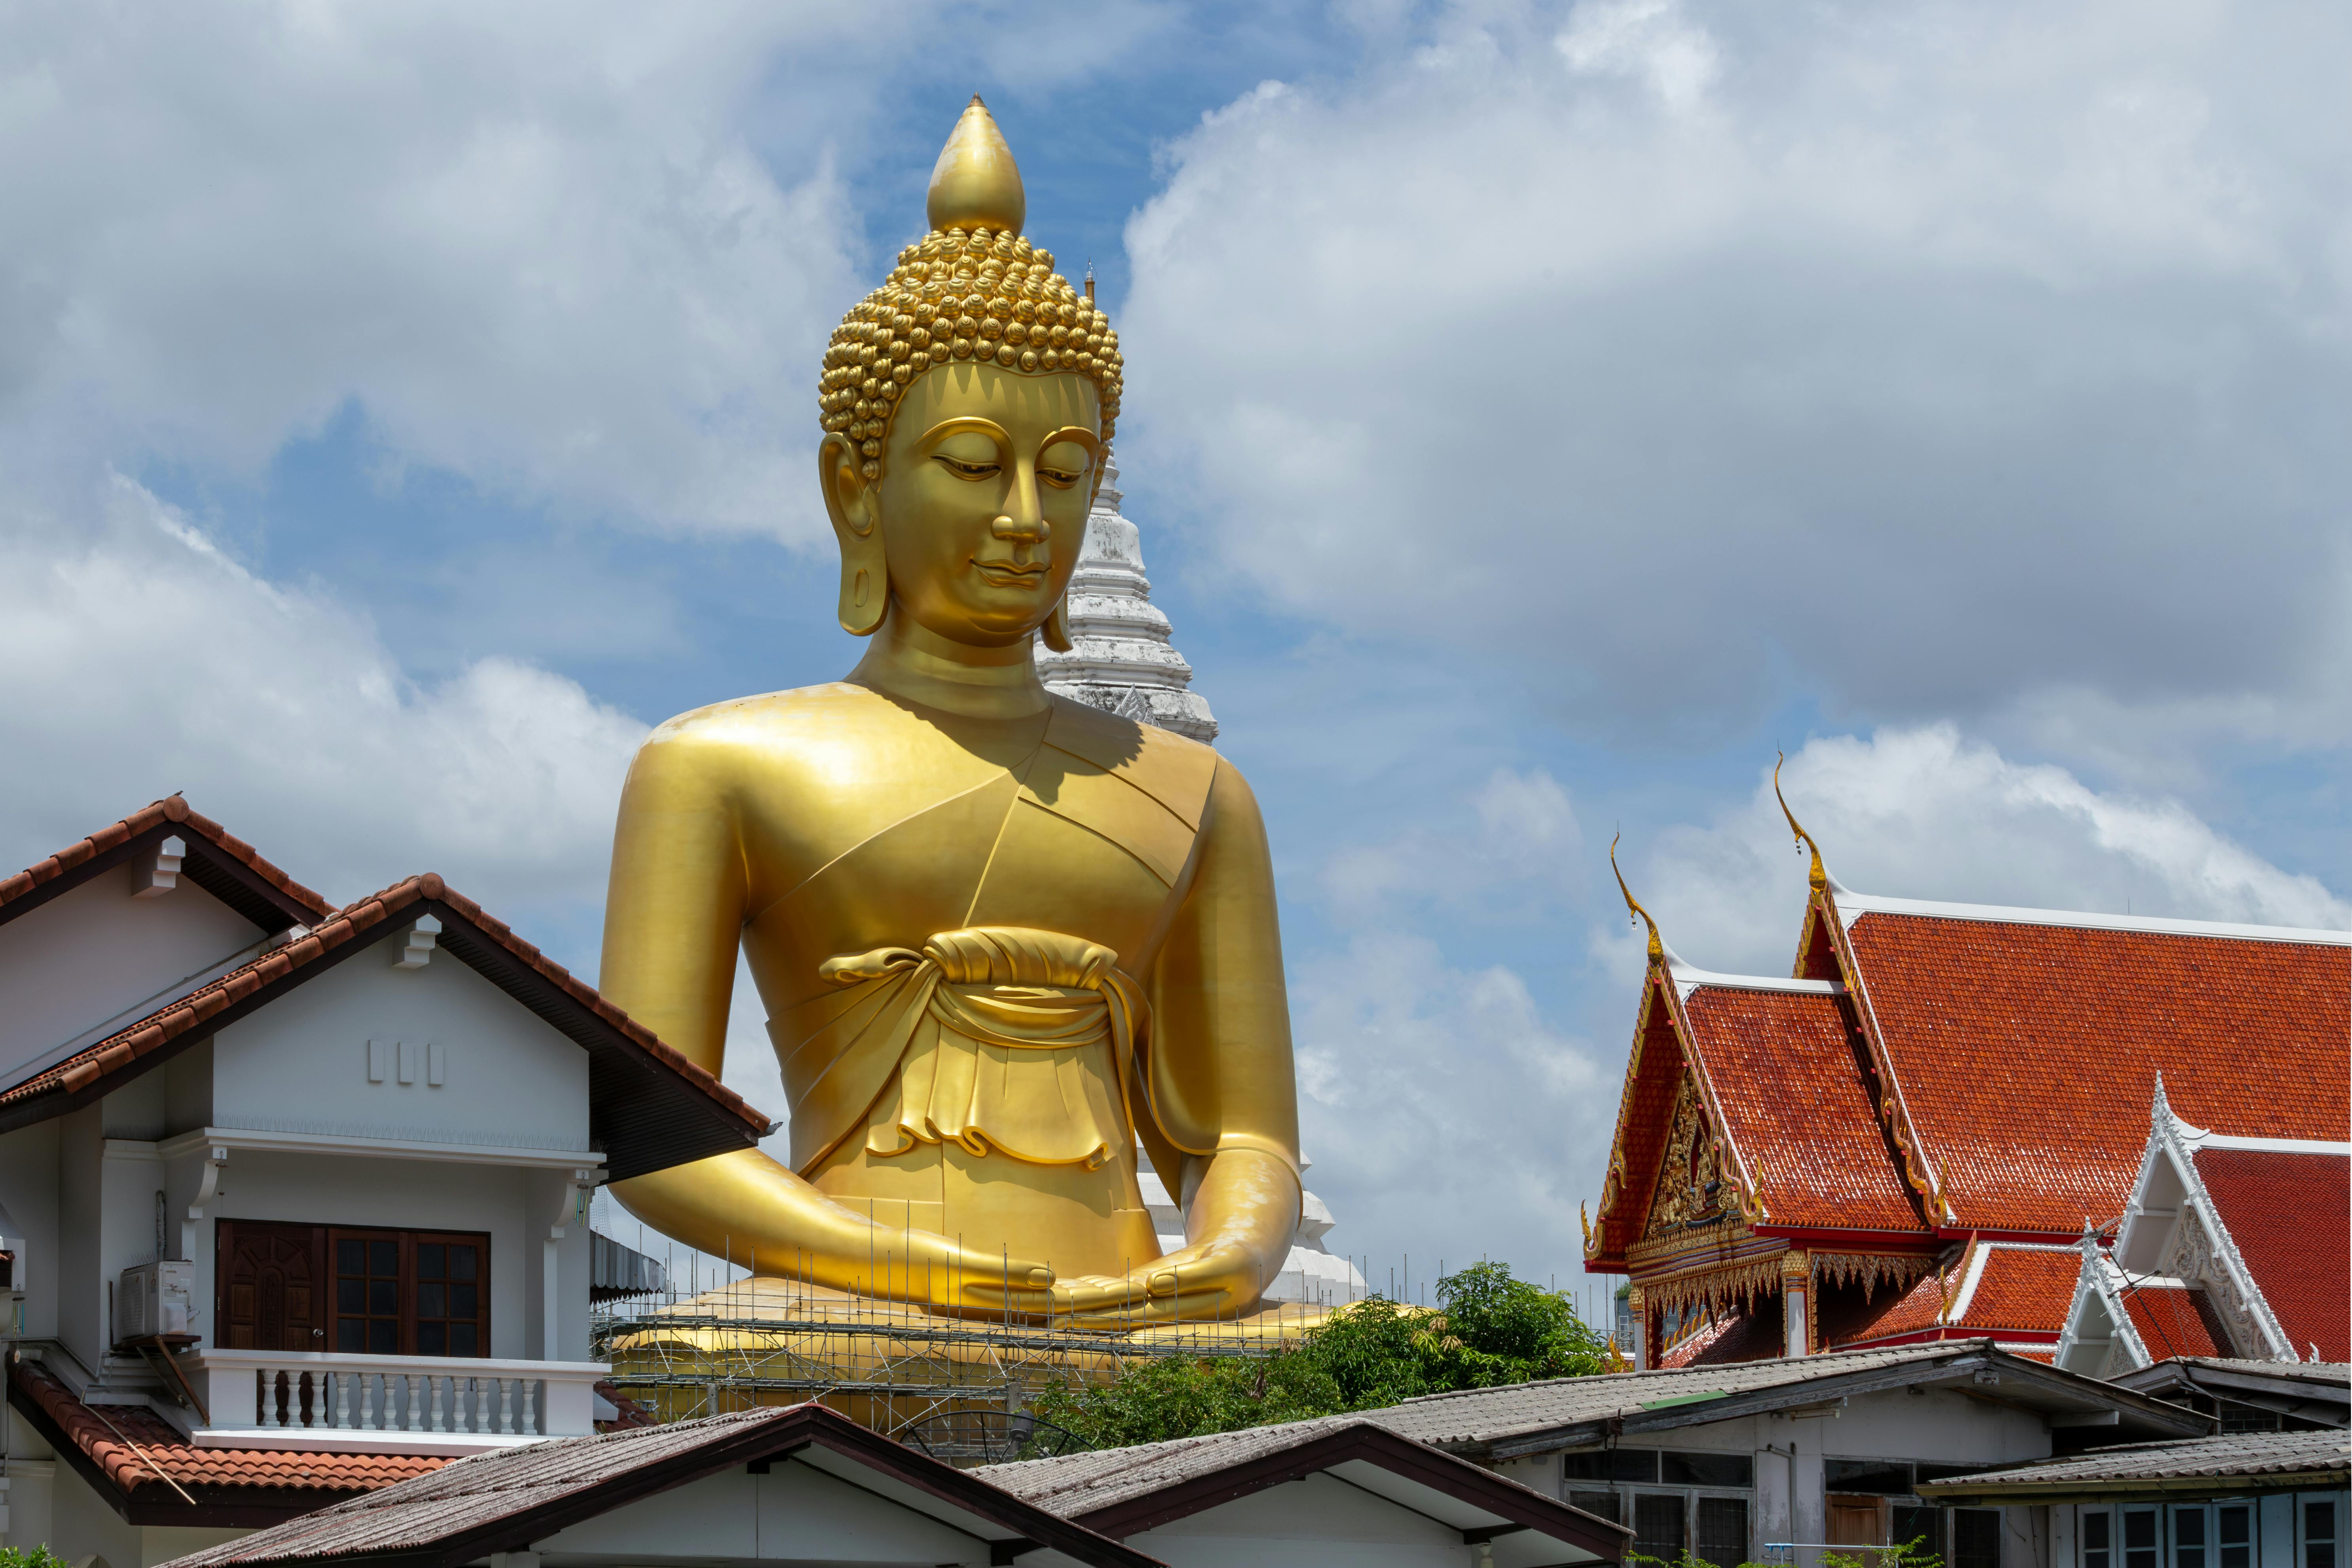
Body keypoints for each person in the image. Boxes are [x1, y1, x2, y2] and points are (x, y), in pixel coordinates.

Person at [598, 99, 1302, 1326]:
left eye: (1068, 474)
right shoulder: (716, 767)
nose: (1028, 518)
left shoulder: (1197, 792)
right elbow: (652, 1142)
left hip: (1133, 1309)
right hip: (857, 1305)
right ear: (854, 490)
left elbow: (1247, 1138)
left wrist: (1232, 1253)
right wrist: (902, 1266)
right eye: (976, 465)